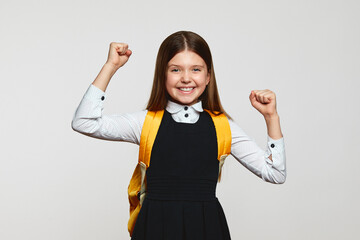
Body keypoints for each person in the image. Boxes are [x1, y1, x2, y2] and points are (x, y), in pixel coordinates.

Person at [71, 30, 286, 240]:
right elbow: (84, 122)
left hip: (207, 228)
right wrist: (111, 67)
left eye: (195, 69)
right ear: (162, 74)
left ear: (208, 76)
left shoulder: (223, 127)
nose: (186, 78)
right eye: (175, 70)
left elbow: (275, 173)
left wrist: (271, 118)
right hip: (154, 227)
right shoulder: (146, 122)